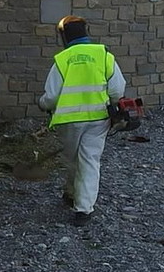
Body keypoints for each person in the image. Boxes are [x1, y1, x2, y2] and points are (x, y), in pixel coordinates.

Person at [38, 15, 126, 226]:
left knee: (72, 159)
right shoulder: (104, 55)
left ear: (64, 37)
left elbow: (50, 96)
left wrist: (43, 105)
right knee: (89, 160)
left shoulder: (63, 59)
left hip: (69, 122)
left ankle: (72, 195)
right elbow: (117, 89)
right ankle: (83, 209)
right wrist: (114, 105)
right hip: (98, 119)